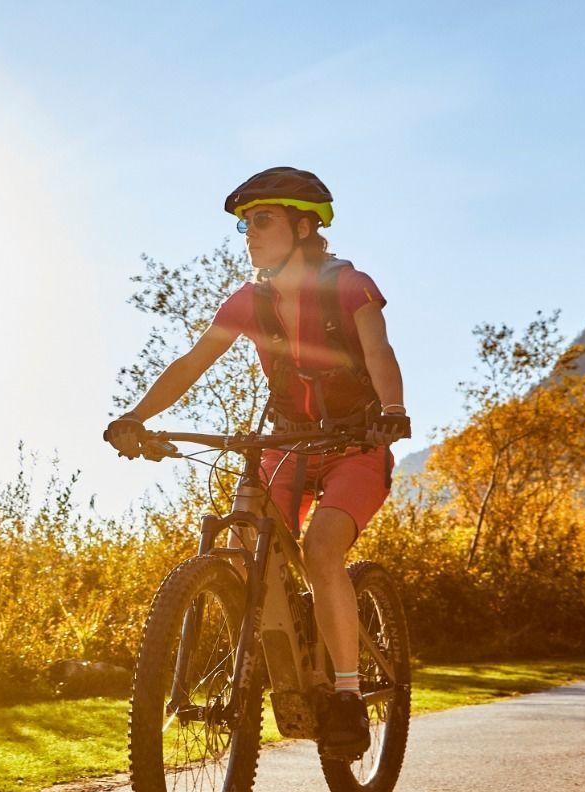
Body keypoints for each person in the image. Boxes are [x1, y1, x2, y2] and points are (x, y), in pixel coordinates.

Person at [103, 167, 410, 760]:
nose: (249, 234)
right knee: (243, 548)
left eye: (262, 220)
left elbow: (379, 351)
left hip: (356, 444)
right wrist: (136, 417)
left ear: (304, 226)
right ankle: (262, 666)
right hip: (287, 443)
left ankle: (347, 695)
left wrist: (392, 411)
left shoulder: (350, 287)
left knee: (322, 550)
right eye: (245, 224)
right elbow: (192, 362)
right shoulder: (249, 301)